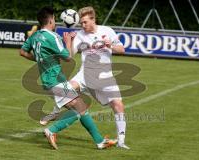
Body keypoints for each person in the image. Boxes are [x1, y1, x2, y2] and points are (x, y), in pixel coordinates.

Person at [19, 6, 116, 150]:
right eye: (54, 19)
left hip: (49, 81)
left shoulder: (35, 36)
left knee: (81, 107)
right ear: (51, 20)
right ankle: (52, 130)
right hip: (56, 81)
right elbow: (68, 58)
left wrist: (41, 60)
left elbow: (22, 52)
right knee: (79, 108)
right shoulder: (53, 37)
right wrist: (69, 40)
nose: (55, 21)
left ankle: (100, 141)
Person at [41, 6, 130, 149]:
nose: (82, 25)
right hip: (85, 75)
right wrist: (69, 41)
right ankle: (54, 113)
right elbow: (69, 56)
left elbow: (122, 49)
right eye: (81, 22)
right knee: (64, 91)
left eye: (85, 22)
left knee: (118, 105)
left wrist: (110, 46)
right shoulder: (79, 35)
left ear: (93, 19)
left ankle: (121, 141)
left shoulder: (107, 31)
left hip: (105, 77)